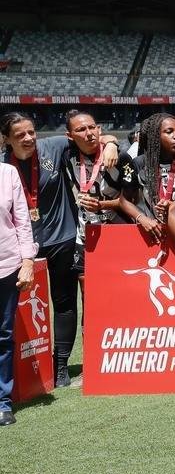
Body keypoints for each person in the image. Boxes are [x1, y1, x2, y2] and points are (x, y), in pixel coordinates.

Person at [2, 112, 118, 388]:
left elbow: (93, 137)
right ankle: (22, 367)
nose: (29, 138)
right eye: (21, 135)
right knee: (19, 310)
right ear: (6, 139)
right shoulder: (3, 167)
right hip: (22, 248)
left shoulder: (53, 146)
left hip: (62, 240)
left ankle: (61, 364)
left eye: (32, 132)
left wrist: (112, 143)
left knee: (64, 302)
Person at [65, 110, 131, 272]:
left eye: (92, 127)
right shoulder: (67, 155)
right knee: (87, 284)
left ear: (99, 129)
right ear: (70, 136)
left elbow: (132, 200)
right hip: (85, 232)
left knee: (122, 283)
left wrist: (101, 204)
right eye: (81, 130)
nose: (89, 134)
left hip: (118, 228)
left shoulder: (121, 158)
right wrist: (111, 141)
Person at [0, 160, 37, 425]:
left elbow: (22, 221)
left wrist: (27, 262)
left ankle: (3, 402)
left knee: (3, 335)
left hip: (6, 266)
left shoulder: (7, 172)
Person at [119, 113, 175, 253]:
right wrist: (142, 218)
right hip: (153, 234)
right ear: (155, 136)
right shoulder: (139, 163)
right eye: (169, 132)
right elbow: (124, 200)